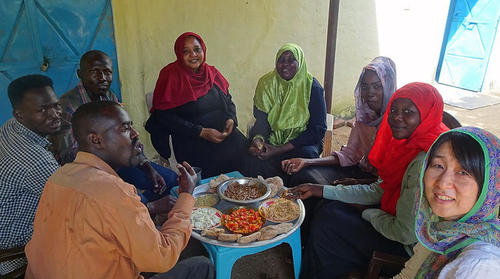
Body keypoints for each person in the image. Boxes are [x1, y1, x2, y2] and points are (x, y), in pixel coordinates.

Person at [25, 101, 214, 279]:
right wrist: (186, 195)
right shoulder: (112, 191)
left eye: (131, 126)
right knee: (201, 268)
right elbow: (162, 257)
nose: (135, 134)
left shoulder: (60, 176)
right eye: (125, 128)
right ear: (96, 140)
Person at [289, 127, 500, 279]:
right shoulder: (442, 231)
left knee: (330, 221)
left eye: (463, 172)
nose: (443, 183)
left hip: (397, 242)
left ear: (490, 186)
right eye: (438, 165)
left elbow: (402, 232)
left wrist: (367, 212)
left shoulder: (479, 267)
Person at [275, 82, 449, 279]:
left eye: (408, 112)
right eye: (394, 111)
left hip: (411, 248)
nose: (397, 118)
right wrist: (320, 190)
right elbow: (380, 188)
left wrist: (366, 212)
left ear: (427, 113)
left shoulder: (424, 161)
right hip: (398, 221)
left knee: (329, 225)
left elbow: (404, 232)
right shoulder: (411, 144)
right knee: (328, 207)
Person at [49, 50, 177, 204]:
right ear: (80, 74)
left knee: (169, 181)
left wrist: (147, 166)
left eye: (107, 72)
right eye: (95, 72)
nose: (102, 78)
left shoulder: (109, 97)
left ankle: (142, 211)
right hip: (88, 173)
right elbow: (69, 157)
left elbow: (130, 136)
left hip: (119, 161)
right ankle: (141, 210)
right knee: (133, 202)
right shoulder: (67, 107)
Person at [146, 32, 247, 178]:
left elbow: (228, 100)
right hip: (191, 139)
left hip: (223, 135)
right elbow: (163, 117)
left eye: (197, 49)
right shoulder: (170, 76)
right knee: (213, 179)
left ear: (203, 50)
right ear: (179, 54)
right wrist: (200, 131)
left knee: (248, 159)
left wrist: (231, 119)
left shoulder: (212, 73)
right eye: (186, 51)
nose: (193, 55)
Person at [282, 56, 397, 186]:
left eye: (377, 86)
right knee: (304, 175)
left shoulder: (397, 123)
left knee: (330, 203)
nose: (369, 92)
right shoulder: (365, 117)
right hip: (359, 171)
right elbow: (350, 155)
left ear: (388, 86)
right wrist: (306, 161)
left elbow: (394, 178)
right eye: (365, 86)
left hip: (380, 187)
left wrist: (357, 183)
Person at [0, 74, 61, 275]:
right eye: (42, 110)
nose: (54, 114)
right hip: (11, 256)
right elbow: (77, 203)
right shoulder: (37, 162)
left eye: (56, 105)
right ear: (20, 114)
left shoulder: (10, 127)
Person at [245, 43, 327, 181]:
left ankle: (296, 198)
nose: (285, 65)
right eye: (281, 60)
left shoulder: (312, 87)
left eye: (291, 60)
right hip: (273, 139)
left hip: (303, 141)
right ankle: (266, 196)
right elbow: (262, 120)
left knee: (306, 158)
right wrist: (258, 141)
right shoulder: (266, 84)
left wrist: (279, 150)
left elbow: (317, 130)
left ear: (299, 62)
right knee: (250, 158)